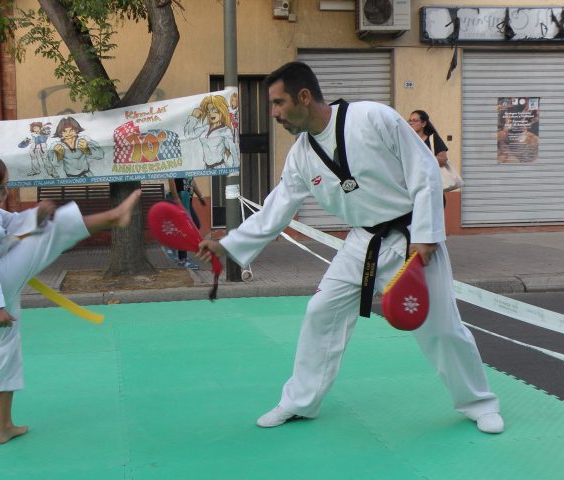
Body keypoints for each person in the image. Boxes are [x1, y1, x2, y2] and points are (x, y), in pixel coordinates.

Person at [196, 62, 503, 434]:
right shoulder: (301, 154)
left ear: (304, 97)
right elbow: (278, 207)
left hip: (412, 239)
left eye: (278, 103)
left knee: (442, 328)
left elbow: (423, 170)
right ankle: (300, 401)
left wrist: (426, 234)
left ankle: (478, 403)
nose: (274, 113)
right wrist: (228, 246)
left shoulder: (372, 118)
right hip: (363, 242)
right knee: (320, 311)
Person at [0, 152, 140, 444]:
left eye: (5, 186)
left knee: (7, 350)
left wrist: (33, 216)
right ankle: (114, 217)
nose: (5, 193)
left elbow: (10, 224)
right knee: (52, 233)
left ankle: (4, 427)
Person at [164, 177, 206, 270]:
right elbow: (171, 178)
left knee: (196, 225)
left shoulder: (189, 166)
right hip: (179, 198)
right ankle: (182, 259)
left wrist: (200, 196)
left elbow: (191, 181)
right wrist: (176, 198)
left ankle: (171, 244)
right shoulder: (179, 164)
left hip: (187, 200)